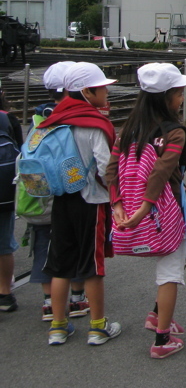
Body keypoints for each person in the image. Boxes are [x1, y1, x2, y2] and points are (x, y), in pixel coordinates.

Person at [106, 63, 186, 359]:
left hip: (129, 206)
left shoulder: (127, 130)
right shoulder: (175, 132)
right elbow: (162, 172)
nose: (181, 99)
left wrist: (118, 206)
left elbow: (111, 170)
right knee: (171, 270)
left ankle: (158, 314)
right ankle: (161, 338)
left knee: (177, 261)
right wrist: (145, 208)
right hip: (164, 209)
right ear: (167, 97)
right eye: (179, 94)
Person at [36, 62, 121, 346]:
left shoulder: (53, 119)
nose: (107, 92)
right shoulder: (94, 123)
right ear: (86, 91)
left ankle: (58, 327)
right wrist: (116, 197)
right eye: (102, 88)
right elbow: (105, 167)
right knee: (92, 265)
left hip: (61, 200)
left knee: (60, 263)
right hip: (91, 202)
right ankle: (98, 327)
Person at [17, 62, 90, 321]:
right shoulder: (72, 117)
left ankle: (49, 302)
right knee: (77, 246)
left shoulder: (38, 118)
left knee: (43, 246)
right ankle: (78, 297)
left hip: (39, 196)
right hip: (70, 195)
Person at [0, 79, 25, 314]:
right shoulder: (9, 119)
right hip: (3, 191)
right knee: (4, 244)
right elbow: (21, 153)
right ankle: (5, 294)